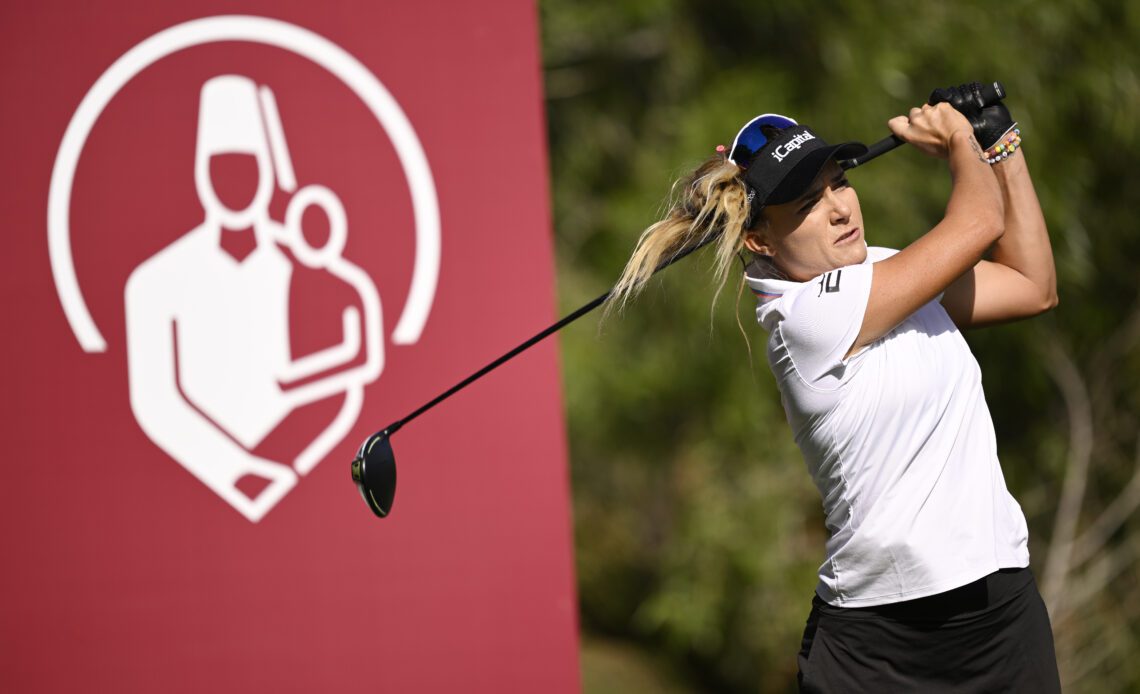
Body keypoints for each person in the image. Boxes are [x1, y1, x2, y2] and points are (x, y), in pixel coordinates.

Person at [608, 86, 1061, 691]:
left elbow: (1032, 285)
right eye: (805, 204)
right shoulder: (803, 320)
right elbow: (979, 220)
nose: (841, 209)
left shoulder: (885, 270)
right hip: (885, 648)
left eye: (838, 182)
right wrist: (959, 137)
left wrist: (1001, 145)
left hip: (1002, 614)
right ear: (759, 240)